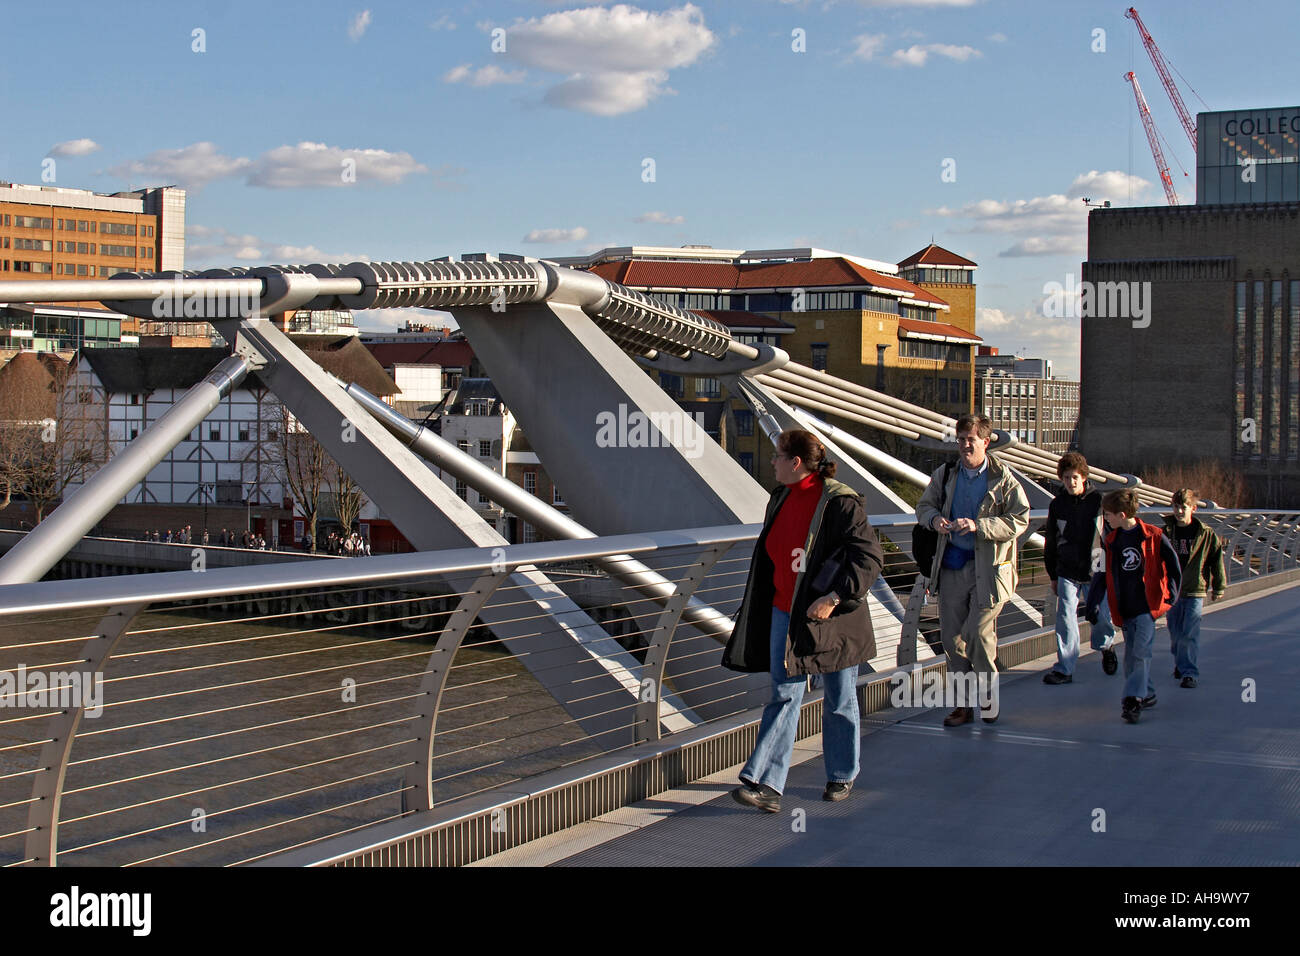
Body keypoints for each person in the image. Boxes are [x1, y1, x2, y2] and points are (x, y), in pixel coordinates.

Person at [723, 429, 884, 812]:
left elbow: (869, 558)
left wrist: (834, 596)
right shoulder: (779, 498)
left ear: (796, 462)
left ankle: (842, 774)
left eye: (778, 456)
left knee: (840, 698)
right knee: (784, 694)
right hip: (785, 612)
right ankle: (765, 783)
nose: (772, 463)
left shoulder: (840, 503)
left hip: (832, 619)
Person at [916, 413, 1030, 726]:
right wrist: (934, 520)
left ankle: (988, 695)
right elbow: (923, 507)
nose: (965, 445)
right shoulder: (945, 474)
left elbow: (1019, 520)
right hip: (952, 566)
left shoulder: (1003, 478)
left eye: (971, 439)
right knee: (952, 641)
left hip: (989, 570)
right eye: (962, 439)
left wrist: (979, 526)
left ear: (985, 441)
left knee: (978, 635)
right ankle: (963, 706)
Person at [1085, 489, 1182, 724]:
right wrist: (1093, 603)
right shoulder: (1110, 542)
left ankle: (1132, 699)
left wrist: (1171, 595)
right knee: (1131, 656)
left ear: (1121, 514)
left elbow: (1173, 562)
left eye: (1108, 514)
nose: (1105, 518)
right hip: (1124, 608)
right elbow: (1099, 574)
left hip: (1146, 607)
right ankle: (1146, 693)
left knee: (1140, 653)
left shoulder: (1154, 535)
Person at [1042, 452, 1116, 683]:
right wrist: (1053, 574)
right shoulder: (1057, 505)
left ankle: (1106, 647)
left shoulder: (1099, 502)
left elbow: (1112, 534)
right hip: (1067, 570)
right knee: (1065, 618)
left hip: (1097, 568)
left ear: (1083, 477)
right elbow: (1051, 541)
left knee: (1101, 616)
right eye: (1066, 478)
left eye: (1075, 477)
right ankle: (1065, 668)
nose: (1071, 482)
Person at [1162, 489, 1226, 689]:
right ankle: (1181, 664)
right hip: (1172, 591)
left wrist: (1218, 586)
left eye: (1183, 507)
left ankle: (1189, 672)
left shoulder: (1205, 534)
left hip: (1195, 589)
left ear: (1193, 508)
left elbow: (1216, 560)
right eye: (1176, 507)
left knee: (1189, 633)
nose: (1179, 511)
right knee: (1175, 633)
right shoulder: (1165, 532)